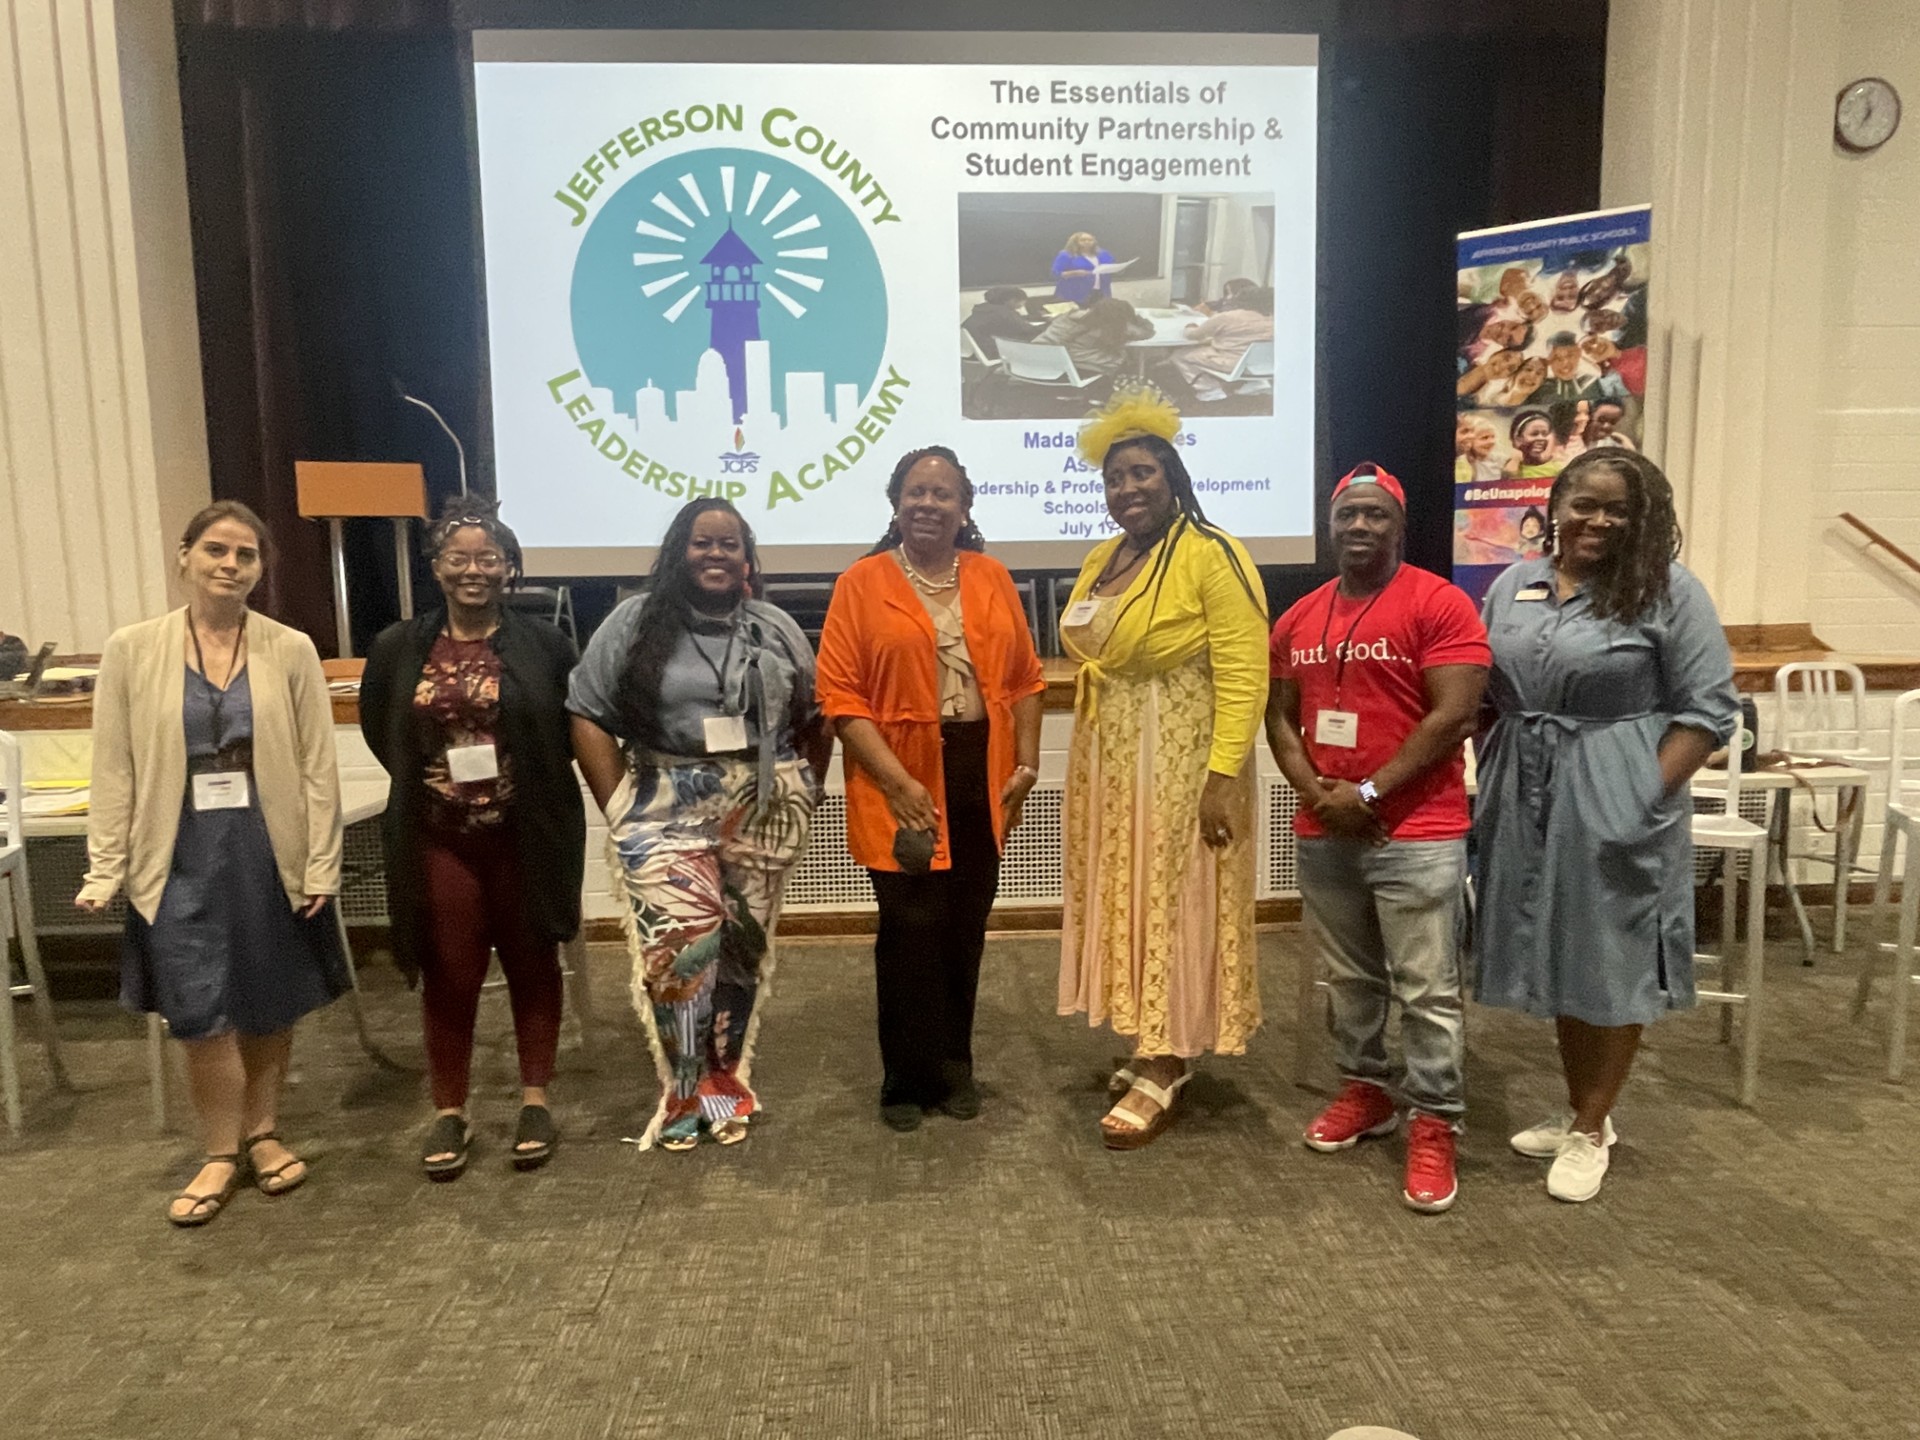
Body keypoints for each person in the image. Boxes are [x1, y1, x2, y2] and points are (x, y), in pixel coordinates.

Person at [1474, 449, 1738, 1202]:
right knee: (1560, 948)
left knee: (1612, 953)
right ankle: (1579, 1108)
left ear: (1642, 518)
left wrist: (1639, 797)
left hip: (1615, 782)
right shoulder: (1511, 584)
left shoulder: (1668, 593)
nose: (1595, 520)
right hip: (1524, 783)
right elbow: (1486, 684)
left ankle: (1593, 1128)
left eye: (1615, 509)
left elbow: (1709, 712)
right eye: (1582, 503)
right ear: (1554, 504)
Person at [78, 502, 347, 1226]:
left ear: (261, 569)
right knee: (198, 1011)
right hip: (177, 851)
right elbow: (114, 770)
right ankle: (217, 1151)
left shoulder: (290, 648)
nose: (230, 566)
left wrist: (320, 865)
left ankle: (262, 1133)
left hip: (267, 846)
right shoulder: (132, 650)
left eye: (246, 556)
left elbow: (319, 768)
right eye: (217, 551)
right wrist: (104, 869)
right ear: (185, 555)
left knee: (269, 996)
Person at [569, 498, 828, 1152]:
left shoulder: (772, 628)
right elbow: (586, 713)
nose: (716, 555)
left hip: (759, 806)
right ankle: (682, 1089)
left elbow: (814, 717)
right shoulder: (632, 623)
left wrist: (809, 792)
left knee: (741, 952)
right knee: (680, 954)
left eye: (729, 544)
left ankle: (723, 1082)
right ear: (678, 550)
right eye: (702, 543)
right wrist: (618, 806)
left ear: (747, 558)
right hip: (663, 802)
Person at [1265, 465, 1489, 1213]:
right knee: (1352, 979)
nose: (1359, 528)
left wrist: (1368, 792)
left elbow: (1453, 716)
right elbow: (1280, 718)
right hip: (1325, 825)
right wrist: (1317, 794)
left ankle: (1435, 1119)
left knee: (1427, 987)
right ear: (1330, 527)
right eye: (1347, 516)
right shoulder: (1297, 617)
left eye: (1375, 517)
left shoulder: (1441, 603)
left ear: (1399, 526)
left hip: (1415, 829)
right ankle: (1367, 1091)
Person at [1057, 387, 1269, 1150]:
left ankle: (1169, 1057)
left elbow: (1246, 672)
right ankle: (1152, 1035)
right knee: (1130, 892)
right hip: (1116, 766)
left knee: (1176, 897)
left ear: (1172, 477)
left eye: (1142, 473)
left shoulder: (1212, 554)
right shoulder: (1102, 558)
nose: (1127, 490)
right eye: (1115, 479)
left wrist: (1222, 775)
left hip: (1184, 769)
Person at [815, 447, 1046, 1131]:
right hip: (898, 776)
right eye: (916, 491)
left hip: (981, 772)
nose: (928, 504)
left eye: (943, 494)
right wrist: (897, 781)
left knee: (965, 927)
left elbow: (1028, 680)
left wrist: (1027, 768)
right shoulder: (861, 582)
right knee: (910, 929)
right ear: (895, 502)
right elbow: (839, 698)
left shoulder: (991, 576)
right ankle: (903, 1077)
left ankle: (955, 1067)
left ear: (964, 507)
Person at [359, 497, 585, 1179]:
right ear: (436, 567)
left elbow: (565, 730)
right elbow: (381, 727)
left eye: (489, 558)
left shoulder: (544, 644)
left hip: (526, 832)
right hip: (439, 836)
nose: (474, 570)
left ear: (510, 569)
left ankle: (535, 1097)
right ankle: (450, 1110)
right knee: (450, 970)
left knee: (531, 960)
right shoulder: (400, 646)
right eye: (458, 558)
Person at [1172, 285, 1275, 401]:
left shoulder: (1227, 317)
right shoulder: (1273, 320)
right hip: (1263, 365)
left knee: (1179, 355)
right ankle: (1258, 383)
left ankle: (1209, 389)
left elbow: (1193, 336)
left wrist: (1189, 327)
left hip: (1233, 364)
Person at [1035, 297, 1154, 380]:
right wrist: (1137, 318)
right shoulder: (1106, 328)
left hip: (1044, 359)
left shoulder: (1071, 317)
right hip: (1077, 365)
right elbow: (1146, 333)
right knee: (1123, 358)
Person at [963, 286, 1044, 361]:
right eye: (1022, 303)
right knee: (1037, 339)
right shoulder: (1004, 313)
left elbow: (1017, 320)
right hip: (992, 352)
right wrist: (1051, 325)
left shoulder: (986, 309)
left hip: (977, 351)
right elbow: (1028, 329)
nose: (1022, 306)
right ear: (1013, 300)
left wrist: (1038, 317)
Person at [1051, 231, 1114, 304]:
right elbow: (1055, 273)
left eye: (1090, 240)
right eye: (1083, 240)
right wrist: (1073, 273)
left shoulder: (1103, 253)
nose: (1087, 242)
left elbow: (1112, 265)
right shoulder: (1067, 254)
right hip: (1074, 293)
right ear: (1075, 242)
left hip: (1101, 292)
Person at [1534, 333, 1588, 404]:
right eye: (1556, 358)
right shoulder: (1538, 388)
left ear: (1579, 355)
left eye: (1570, 356)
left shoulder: (1594, 383)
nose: (1564, 363)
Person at [1454, 414, 1501, 484]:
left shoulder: (1497, 461)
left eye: (1493, 437)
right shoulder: (1462, 462)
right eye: (1484, 437)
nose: (1492, 442)